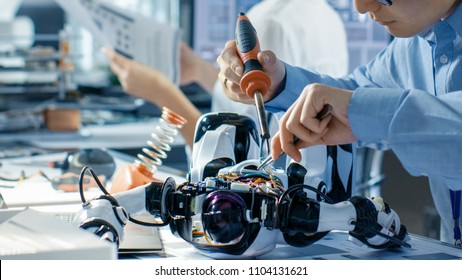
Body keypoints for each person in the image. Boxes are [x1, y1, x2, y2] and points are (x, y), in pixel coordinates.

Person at [217, 0, 462, 246]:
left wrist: (360, 110)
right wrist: (277, 84)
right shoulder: (418, 41)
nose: (361, 7)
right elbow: (358, 95)